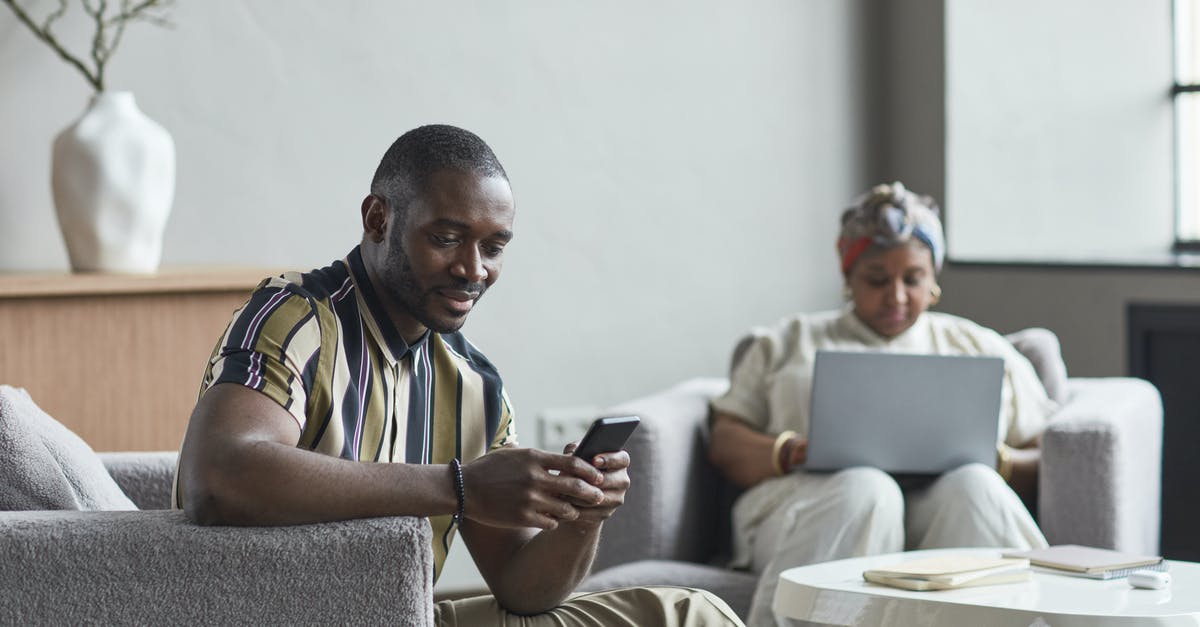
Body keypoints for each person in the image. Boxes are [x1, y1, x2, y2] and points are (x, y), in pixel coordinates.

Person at [174, 124, 743, 626]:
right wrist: (461, 486)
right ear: (378, 219)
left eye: (493, 247)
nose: (474, 270)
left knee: (691, 615)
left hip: (403, 615)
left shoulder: (475, 386)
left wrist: (579, 519)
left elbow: (521, 592)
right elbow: (219, 478)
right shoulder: (298, 318)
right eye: (446, 238)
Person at [707, 181, 1057, 627]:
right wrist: (794, 451)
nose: (895, 296)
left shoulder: (978, 346)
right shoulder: (786, 341)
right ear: (848, 277)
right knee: (866, 489)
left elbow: (1052, 454)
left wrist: (998, 461)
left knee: (975, 485)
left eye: (912, 279)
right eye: (876, 279)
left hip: (940, 514)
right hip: (814, 505)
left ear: (933, 280)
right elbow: (725, 439)